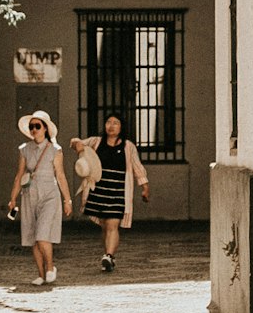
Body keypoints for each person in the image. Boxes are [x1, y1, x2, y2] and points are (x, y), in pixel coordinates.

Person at [72, 112, 148, 271]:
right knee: (105, 226)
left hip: (118, 191)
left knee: (113, 224)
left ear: (121, 127)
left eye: (115, 123)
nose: (111, 126)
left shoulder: (128, 146)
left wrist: (144, 187)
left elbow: (137, 167)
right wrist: (78, 147)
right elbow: (75, 141)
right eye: (108, 122)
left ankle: (109, 255)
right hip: (99, 190)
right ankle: (107, 257)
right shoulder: (96, 141)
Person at [8, 110, 71, 287]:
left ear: (45, 129)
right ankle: (41, 275)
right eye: (31, 126)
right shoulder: (24, 149)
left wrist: (68, 200)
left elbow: (61, 176)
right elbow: (19, 174)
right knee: (32, 236)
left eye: (37, 126)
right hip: (29, 195)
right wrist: (13, 198)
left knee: (43, 234)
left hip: (50, 194)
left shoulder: (55, 150)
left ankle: (50, 267)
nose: (34, 129)